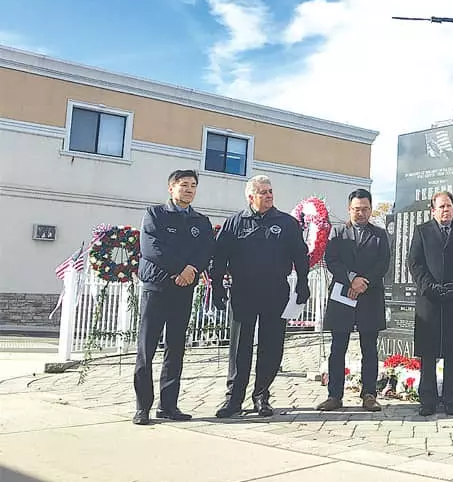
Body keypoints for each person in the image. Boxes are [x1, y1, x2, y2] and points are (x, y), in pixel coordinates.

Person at [210, 175, 309, 418]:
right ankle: (233, 398)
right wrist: (217, 285)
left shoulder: (286, 223)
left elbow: (300, 255)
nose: (268, 195)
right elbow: (220, 256)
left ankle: (262, 395)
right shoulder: (234, 223)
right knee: (240, 346)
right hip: (243, 291)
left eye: (270, 191)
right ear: (250, 196)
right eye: (263, 192)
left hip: (275, 291)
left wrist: (303, 283)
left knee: (271, 345)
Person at [133, 169, 214, 425]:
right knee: (147, 348)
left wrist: (191, 270)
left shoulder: (201, 221)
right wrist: (181, 268)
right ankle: (142, 406)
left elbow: (205, 251)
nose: (188, 189)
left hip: (183, 290)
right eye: (183, 185)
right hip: (156, 288)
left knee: (175, 349)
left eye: (192, 185)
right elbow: (151, 248)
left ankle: (168, 405)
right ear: (171, 188)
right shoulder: (154, 214)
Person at [316, 189, 390, 412]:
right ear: (349, 209)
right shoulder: (337, 233)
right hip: (342, 296)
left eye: (365, 209)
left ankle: (369, 394)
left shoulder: (379, 235)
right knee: (338, 348)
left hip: (370, 295)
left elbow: (383, 263)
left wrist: (363, 282)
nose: (361, 213)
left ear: (371, 209)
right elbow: (332, 260)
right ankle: (334, 396)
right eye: (357, 209)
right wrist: (351, 280)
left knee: (369, 348)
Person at [408, 191, 453, 416]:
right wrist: (429, 286)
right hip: (430, 300)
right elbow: (415, 262)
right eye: (441, 207)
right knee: (428, 354)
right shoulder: (422, 231)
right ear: (433, 210)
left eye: (449, 206)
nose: (445, 210)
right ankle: (428, 401)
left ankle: (452, 400)